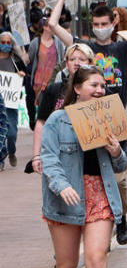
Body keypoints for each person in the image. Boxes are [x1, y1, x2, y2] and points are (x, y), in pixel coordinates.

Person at [49, 0, 127, 245]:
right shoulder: (84, 49)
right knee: (92, 174)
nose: (99, 27)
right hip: (85, 120)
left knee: (118, 177)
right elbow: (53, 26)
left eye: (103, 23)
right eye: (95, 24)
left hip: (116, 120)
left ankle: (120, 218)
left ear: (113, 22)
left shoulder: (122, 48)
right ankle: (102, 226)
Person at [41, 66, 127, 268]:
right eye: (93, 85)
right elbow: (49, 158)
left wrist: (116, 151)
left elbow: (123, 162)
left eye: (103, 86)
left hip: (100, 193)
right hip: (67, 196)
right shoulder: (57, 120)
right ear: (77, 89)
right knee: (66, 264)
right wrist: (61, 184)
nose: (100, 90)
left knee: (96, 258)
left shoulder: (110, 117)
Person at [32, 43, 96, 174]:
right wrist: (36, 155)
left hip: (90, 156)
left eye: (82, 59)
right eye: (72, 59)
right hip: (59, 154)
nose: (77, 63)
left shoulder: (99, 90)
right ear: (66, 64)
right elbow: (41, 122)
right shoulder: (54, 89)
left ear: (90, 62)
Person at [26, 17, 68, 128]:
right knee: (42, 107)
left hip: (53, 79)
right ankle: (41, 131)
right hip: (39, 81)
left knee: (53, 106)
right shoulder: (36, 42)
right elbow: (28, 59)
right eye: (50, 26)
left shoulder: (57, 42)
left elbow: (63, 59)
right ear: (44, 27)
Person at [0, 32, 28, 168]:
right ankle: (1, 159)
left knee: (11, 133)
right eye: (3, 42)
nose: (5, 45)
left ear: (12, 45)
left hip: (11, 104)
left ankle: (12, 151)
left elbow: (24, 80)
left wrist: (21, 76)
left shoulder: (16, 61)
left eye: (8, 43)